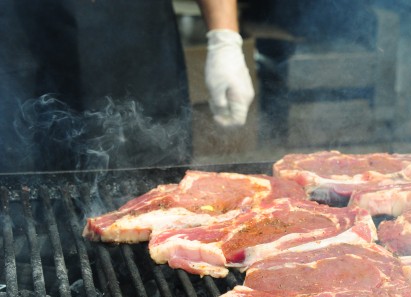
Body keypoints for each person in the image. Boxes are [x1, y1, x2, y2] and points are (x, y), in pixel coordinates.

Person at [0, 0, 254, 172]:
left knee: (152, 185)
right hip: (21, 43)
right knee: (22, 190)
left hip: (137, 44)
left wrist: (224, 38)